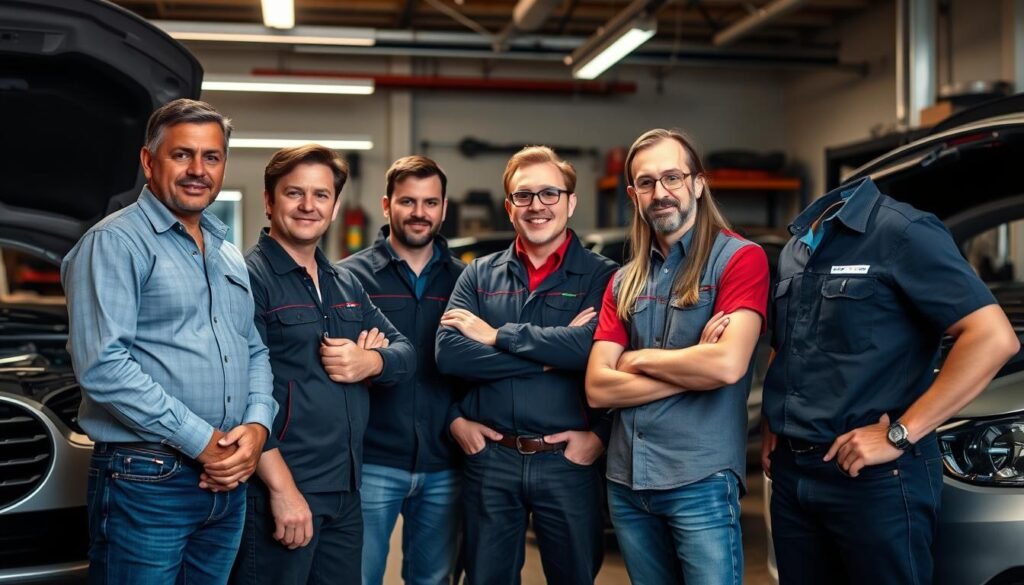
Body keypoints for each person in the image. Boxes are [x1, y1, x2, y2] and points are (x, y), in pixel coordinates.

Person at [761, 176, 1019, 584]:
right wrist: (773, 421)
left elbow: (993, 337)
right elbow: (787, 341)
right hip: (793, 475)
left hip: (873, 480)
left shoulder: (904, 231)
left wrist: (899, 434)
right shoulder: (797, 245)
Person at [61, 98, 278, 584]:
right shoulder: (115, 243)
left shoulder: (225, 252)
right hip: (148, 478)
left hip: (228, 480)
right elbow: (104, 368)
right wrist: (204, 443)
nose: (198, 170)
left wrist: (257, 427)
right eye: (182, 155)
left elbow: (254, 348)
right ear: (148, 162)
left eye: (212, 157)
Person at [586, 128, 769, 585]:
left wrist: (636, 359)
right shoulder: (623, 280)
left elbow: (727, 365)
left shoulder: (740, 260)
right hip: (626, 484)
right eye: (646, 182)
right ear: (633, 194)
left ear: (697, 184)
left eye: (672, 177)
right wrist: (694, 364)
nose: (660, 192)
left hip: (700, 481)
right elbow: (596, 387)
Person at [229, 145, 416, 585]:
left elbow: (406, 353)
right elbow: (234, 393)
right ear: (270, 201)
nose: (309, 206)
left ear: (334, 207)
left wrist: (369, 361)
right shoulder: (247, 279)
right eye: (295, 193)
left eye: (322, 195)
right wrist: (282, 490)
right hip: (283, 485)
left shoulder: (344, 280)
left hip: (346, 486)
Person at [435, 145, 617, 585]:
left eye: (550, 193)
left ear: (570, 202)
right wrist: (549, 359)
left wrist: (497, 336)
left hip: (568, 459)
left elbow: (593, 352)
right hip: (491, 456)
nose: (537, 206)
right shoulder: (477, 274)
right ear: (509, 207)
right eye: (524, 195)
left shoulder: (604, 276)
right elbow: (449, 353)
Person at [340, 156, 466, 585]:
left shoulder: (465, 282)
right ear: (387, 204)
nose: (419, 212)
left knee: (432, 580)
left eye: (430, 202)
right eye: (408, 201)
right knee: (358, 577)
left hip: (445, 461)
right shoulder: (349, 279)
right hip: (372, 460)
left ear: (443, 208)